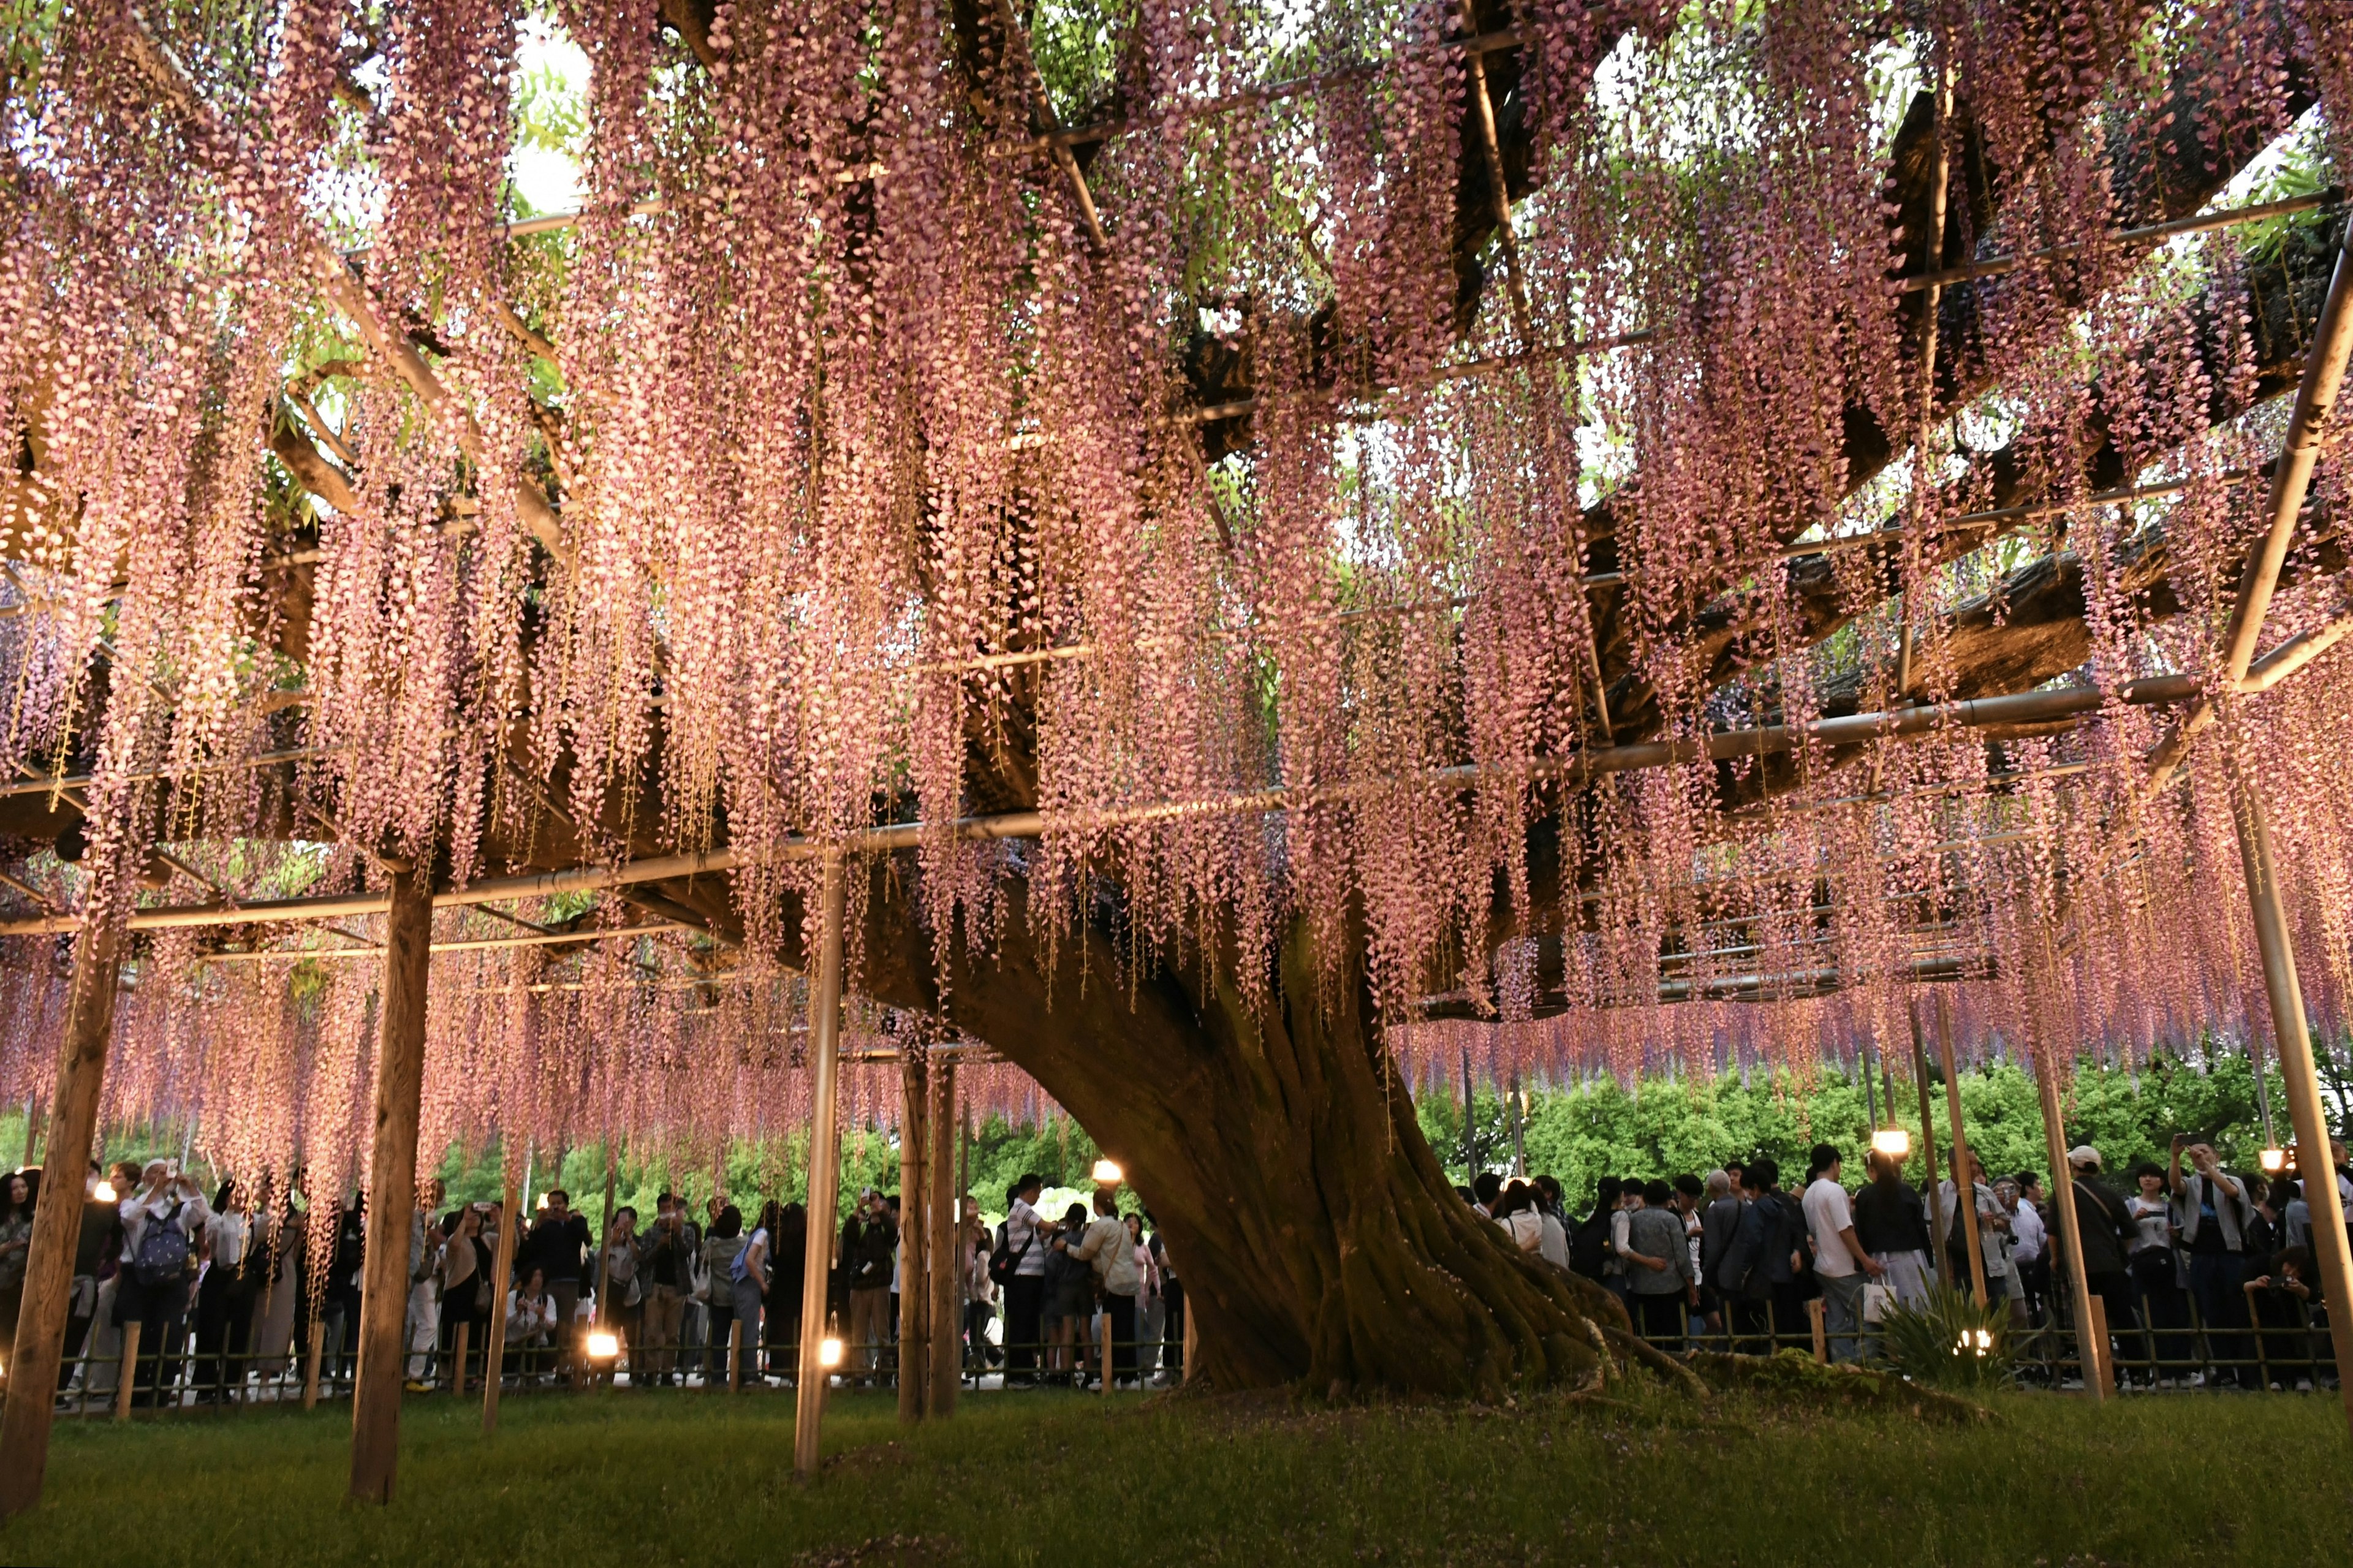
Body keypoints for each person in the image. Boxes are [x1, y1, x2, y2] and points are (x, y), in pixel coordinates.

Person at [116, 1161, 210, 1407]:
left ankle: (162, 1389)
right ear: (145, 1178)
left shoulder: (179, 1209)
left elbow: (202, 1214)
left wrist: (188, 1186)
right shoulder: (132, 1203)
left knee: (168, 1333)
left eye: (164, 1173)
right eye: (155, 1173)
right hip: (137, 1278)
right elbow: (129, 1218)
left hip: (171, 1280)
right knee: (137, 1333)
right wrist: (154, 1192)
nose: (161, 1177)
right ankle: (132, 1391)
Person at [2169, 1135, 2256, 1388]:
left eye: (2206, 1152)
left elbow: (2232, 1193)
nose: (2200, 1155)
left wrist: (2209, 1169)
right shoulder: (2191, 1184)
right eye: (2196, 1152)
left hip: (2232, 1254)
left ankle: (2247, 1368)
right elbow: (2175, 1186)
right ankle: (2224, 1368)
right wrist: (2175, 1157)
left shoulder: (2231, 1180)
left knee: (2238, 1310)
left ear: (2216, 1156)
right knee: (2211, 1312)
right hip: (2201, 1255)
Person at [1801, 1145, 1882, 1363]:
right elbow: (1845, 1229)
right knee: (1871, 1316)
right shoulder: (1834, 1190)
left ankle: (1841, 1366)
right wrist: (1865, 1260)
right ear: (1835, 1163)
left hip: (1822, 1266)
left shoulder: (1809, 1194)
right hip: (1843, 1267)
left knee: (1837, 1321)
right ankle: (1864, 1364)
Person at [2124, 1159, 2192, 1385]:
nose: (2147, 1179)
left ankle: (2182, 1369)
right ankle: (2161, 1370)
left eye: (2153, 1176)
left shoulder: (2170, 1206)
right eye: (2143, 1176)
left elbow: (2185, 1232)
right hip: (2143, 1263)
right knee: (2151, 1315)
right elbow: (2121, 1235)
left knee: (2177, 1314)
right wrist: (2133, 1222)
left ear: (2162, 1181)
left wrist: (2176, 1234)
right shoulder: (2131, 1205)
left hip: (2170, 1263)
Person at [192, 1178, 256, 1403]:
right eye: (235, 1195)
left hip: (244, 1277)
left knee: (239, 1332)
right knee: (212, 1329)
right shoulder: (216, 1219)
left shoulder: (252, 1221)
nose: (240, 1200)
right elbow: (220, 1244)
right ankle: (205, 1386)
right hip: (220, 1277)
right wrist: (230, 1212)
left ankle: (229, 1383)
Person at [1068, 1187, 1140, 1387]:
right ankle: (1128, 1377)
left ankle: (1112, 1376)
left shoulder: (1100, 1227)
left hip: (1113, 1284)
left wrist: (1066, 1248)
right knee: (1127, 1331)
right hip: (1129, 1282)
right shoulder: (1123, 1227)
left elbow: (1085, 1252)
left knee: (1112, 1331)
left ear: (1095, 1204)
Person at [522, 1189, 592, 1377]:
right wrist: (539, 1223)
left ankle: (563, 1368)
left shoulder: (576, 1221)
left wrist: (568, 1220)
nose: (555, 1207)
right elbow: (532, 1248)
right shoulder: (545, 1226)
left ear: (566, 1204)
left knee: (566, 1326)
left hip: (570, 1280)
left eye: (559, 1203)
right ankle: (539, 1366)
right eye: (552, 1203)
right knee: (545, 1321)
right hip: (549, 1281)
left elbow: (588, 1239)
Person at [1621, 1178, 1697, 1349]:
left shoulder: (1633, 1220)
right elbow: (1681, 1255)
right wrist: (1691, 1287)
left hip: (1642, 1287)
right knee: (1675, 1337)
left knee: (1649, 1337)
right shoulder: (1671, 1220)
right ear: (1667, 1198)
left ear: (1645, 1198)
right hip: (1671, 1287)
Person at [1852, 1149, 1933, 1308]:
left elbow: (1860, 1231)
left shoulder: (1864, 1196)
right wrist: (1928, 1258)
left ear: (1871, 1169)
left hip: (1880, 1259)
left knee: (1886, 1311)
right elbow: (1921, 1227)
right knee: (1916, 1304)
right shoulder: (1908, 1191)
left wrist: (1862, 1263)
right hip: (1913, 1256)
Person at [638, 1193, 696, 1384]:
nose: (666, 1213)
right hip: (655, 1287)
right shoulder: (650, 1233)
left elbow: (687, 1253)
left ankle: (668, 1372)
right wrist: (660, 1244)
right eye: (663, 1210)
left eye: (670, 1209)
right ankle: (651, 1371)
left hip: (677, 1288)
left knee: (673, 1334)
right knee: (652, 1332)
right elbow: (644, 1260)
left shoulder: (687, 1231)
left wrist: (677, 1233)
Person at [1000, 1173, 1049, 1384]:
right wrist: (1058, 1226)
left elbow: (1030, 1237)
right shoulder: (1022, 1208)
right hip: (1024, 1275)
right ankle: (1019, 1371)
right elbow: (1046, 1225)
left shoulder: (1021, 1210)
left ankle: (1025, 1368)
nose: (1038, 1197)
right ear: (1031, 1191)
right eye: (1038, 1192)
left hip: (1031, 1275)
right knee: (1022, 1325)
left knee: (1027, 1324)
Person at [843, 1190, 895, 1384]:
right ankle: (858, 1372)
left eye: (879, 1203)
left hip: (880, 1285)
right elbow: (849, 1234)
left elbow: (892, 1232)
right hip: (860, 1285)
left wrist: (881, 1212)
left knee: (882, 1331)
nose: (875, 1205)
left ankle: (884, 1370)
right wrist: (859, 1208)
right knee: (858, 1332)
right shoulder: (862, 1228)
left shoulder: (886, 1228)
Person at [437, 1204, 490, 1390]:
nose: (475, 1216)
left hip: (479, 1294)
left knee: (477, 1334)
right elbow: (454, 1245)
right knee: (452, 1333)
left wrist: (497, 1214)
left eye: (477, 1214)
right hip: (458, 1292)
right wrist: (464, 1220)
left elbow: (511, 1242)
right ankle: (448, 1377)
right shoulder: (457, 1238)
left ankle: (473, 1375)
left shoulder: (487, 1239)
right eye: (471, 1213)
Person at [1042, 1200, 1093, 1384]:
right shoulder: (1088, 1238)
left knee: (1067, 1332)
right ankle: (1089, 1372)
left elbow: (1051, 1265)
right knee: (1086, 1332)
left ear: (1069, 1219)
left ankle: (1066, 1374)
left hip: (1064, 1288)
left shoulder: (1061, 1241)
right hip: (1085, 1286)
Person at [404, 1177, 447, 1390]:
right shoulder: (415, 1217)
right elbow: (416, 1250)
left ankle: (414, 1374)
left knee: (423, 1324)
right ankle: (413, 1374)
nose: (438, 1200)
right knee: (426, 1324)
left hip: (423, 1276)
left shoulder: (422, 1217)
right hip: (417, 1275)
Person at [699, 1206, 745, 1382]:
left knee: (719, 1339)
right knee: (742, 1338)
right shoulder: (744, 1245)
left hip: (718, 1298)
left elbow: (702, 1265)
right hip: (739, 1298)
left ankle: (718, 1376)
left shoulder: (711, 1246)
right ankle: (740, 1375)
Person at [1697, 1171, 1741, 1337]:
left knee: (1726, 1322)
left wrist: (1707, 1275)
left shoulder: (1715, 1210)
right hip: (1745, 1273)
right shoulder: (1744, 1207)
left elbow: (1713, 1248)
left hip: (1724, 1275)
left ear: (1711, 1187)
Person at [765, 1201, 807, 1380]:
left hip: (781, 1289)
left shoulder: (779, 1239)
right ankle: (799, 1366)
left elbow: (772, 1261)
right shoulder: (806, 1238)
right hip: (800, 1288)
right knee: (798, 1329)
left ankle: (780, 1367)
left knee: (782, 1330)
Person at [600, 1205, 643, 1367]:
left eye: (626, 1221)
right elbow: (598, 1257)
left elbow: (639, 1256)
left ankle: (635, 1372)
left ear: (633, 1222)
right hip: (611, 1295)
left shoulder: (636, 1241)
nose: (622, 1224)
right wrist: (612, 1242)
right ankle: (606, 1371)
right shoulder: (610, 1241)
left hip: (630, 1295)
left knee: (633, 1336)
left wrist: (629, 1238)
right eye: (620, 1220)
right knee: (609, 1335)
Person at [960, 1195, 998, 1371]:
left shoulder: (983, 1253)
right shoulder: (961, 1233)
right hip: (974, 1296)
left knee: (976, 1335)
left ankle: (982, 1365)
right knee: (976, 1334)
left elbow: (981, 1275)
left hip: (980, 1297)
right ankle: (986, 1362)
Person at [2008, 1172, 2050, 1324]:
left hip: (2032, 1266)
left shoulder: (2032, 1212)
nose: (2042, 1188)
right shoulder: (2027, 1211)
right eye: (2038, 1184)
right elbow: (2043, 1243)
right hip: (2021, 1268)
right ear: (2028, 1188)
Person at [1127, 1211, 1164, 1381]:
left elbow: (1153, 1269)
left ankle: (1138, 1367)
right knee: (1125, 1330)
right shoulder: (1119, 1244)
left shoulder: (1145, 1247)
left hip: (1139, 1295)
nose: (1131, 1225)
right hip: (1122, 1292)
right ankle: (1125, 1368)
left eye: (1135, 1222)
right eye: (1128, 1222)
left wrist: (1155, 1289)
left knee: (1139, 1330)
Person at [506, 1263, 558, 1380]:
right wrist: (518, 1314)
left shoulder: (547, 1299)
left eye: (541, 1276)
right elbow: (504, 1323)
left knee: (549, 1355)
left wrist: (542, 1317)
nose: (538, 1280)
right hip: (514, 1344)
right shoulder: (513, 1297)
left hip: (537, 1345)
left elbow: (552, 1325)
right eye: (534, 1276)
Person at [0, 1168, 32, 1350]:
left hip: (18, 1283)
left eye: (23, 1187)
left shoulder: (32, 1217)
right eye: (15, 1188)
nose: (21, 1191)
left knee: (9, 1332)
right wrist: (7, 1248)